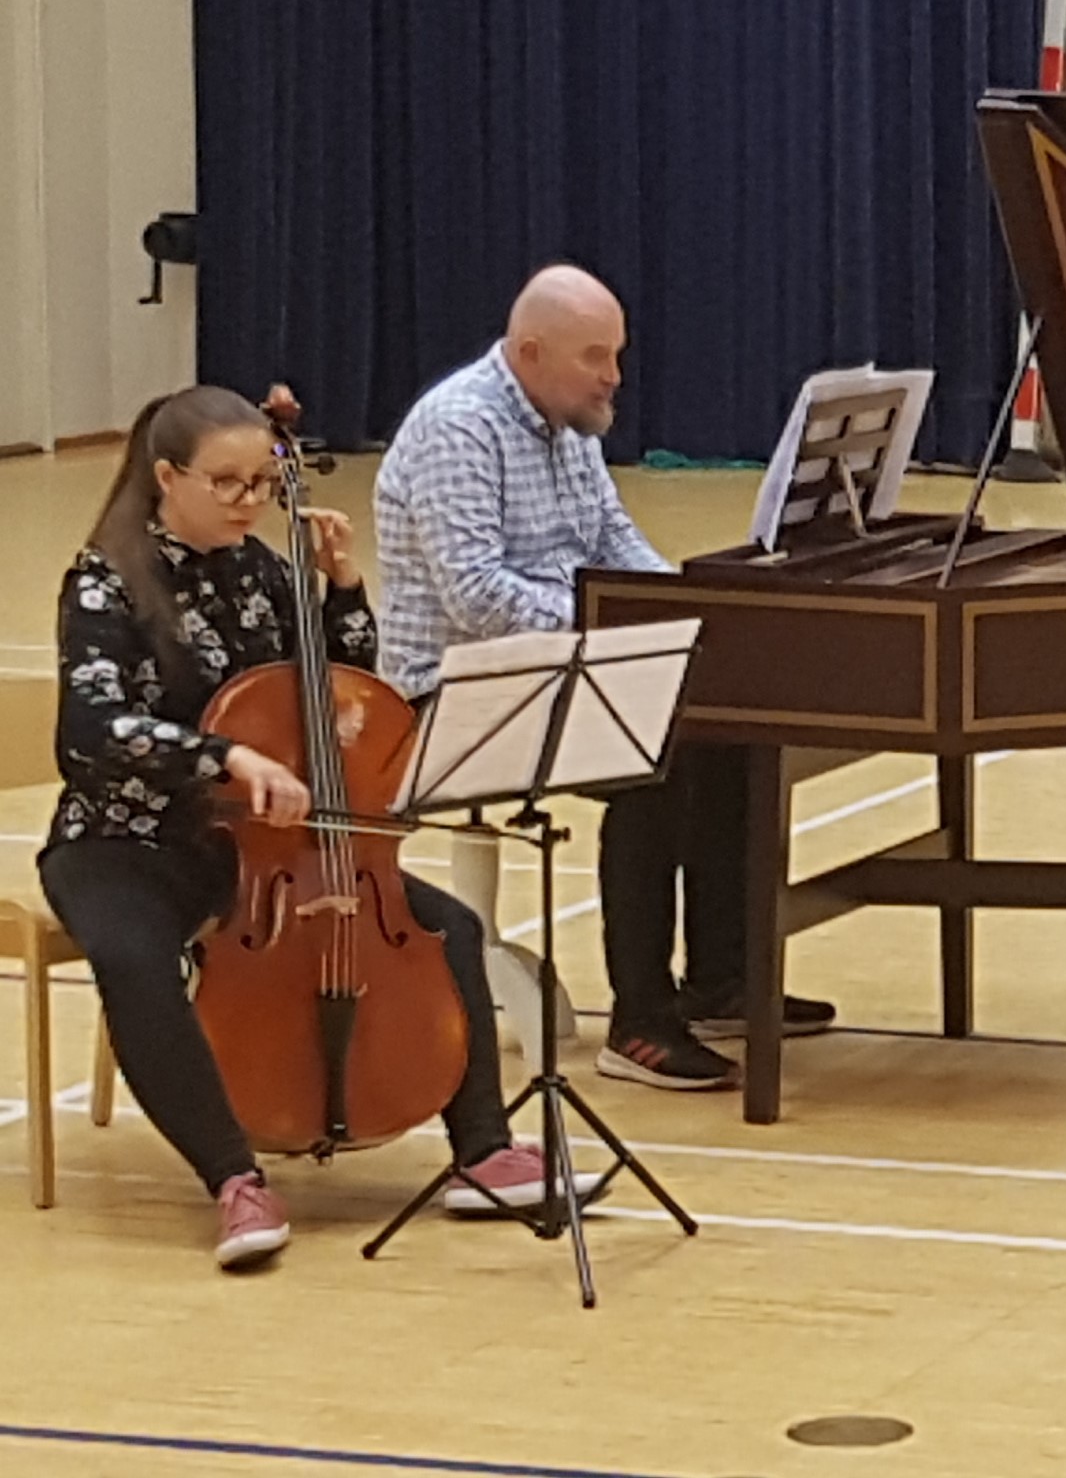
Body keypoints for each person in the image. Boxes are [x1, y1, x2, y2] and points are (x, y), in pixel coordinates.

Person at [40, 387, 552, 1269]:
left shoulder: (260, 570)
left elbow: (339, 700)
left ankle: (482, 1151)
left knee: (449, 927)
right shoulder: (105, 581)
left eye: (260, 484)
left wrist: (341, 587)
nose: (248, 502)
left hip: (266, 846)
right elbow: (89, 732)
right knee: (134, 960)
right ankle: (233, 1178)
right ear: (167, 477)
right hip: (126, 840)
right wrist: (225, 757)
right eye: (226, 483)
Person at [373, 265, 834, 1094]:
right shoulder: (458, 429)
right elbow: (476, 595)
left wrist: (687, 618)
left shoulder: (570, 424)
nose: (613, 375)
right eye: (595, 356)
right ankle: (640, 1023)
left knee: (728, 727)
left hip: (559, 667)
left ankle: (721, 980)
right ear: (529, 351)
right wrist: (618, 631)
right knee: (651, 758)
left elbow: (617, 545)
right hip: (454, 696)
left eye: (616, 354)